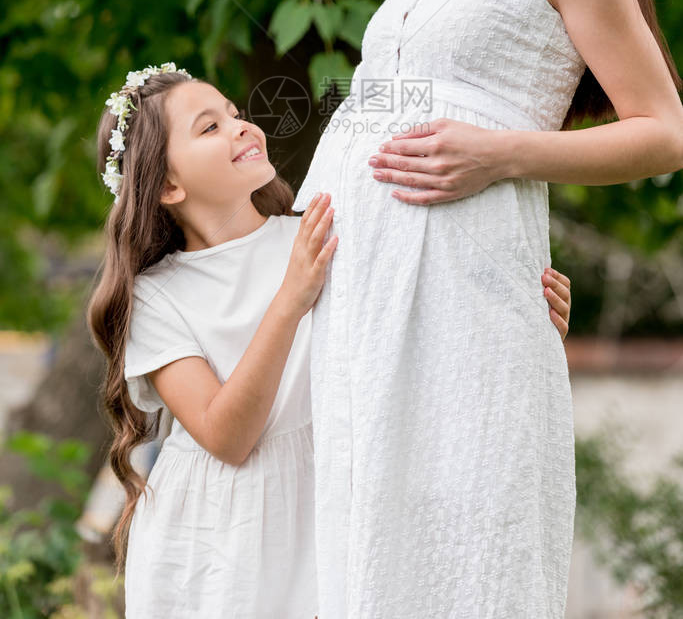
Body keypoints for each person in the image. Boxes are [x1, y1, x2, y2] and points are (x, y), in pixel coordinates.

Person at [293, 0, 683, 618]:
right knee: (372, 545)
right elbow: (381, 105)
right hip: (363, 306)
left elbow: (664, 128)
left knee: (467, 539)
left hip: (465, 298)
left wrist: (505, 154)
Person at [85, 62, 574, 618]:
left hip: (331, 495)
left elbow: (416, 340)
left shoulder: (319, 231)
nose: (242, 127)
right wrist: (291, 297)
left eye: (235, 113)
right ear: (169, 185)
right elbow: (227, 436)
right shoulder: (158, 295)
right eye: (209, 128)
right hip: (220, 536)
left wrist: (525, 323)